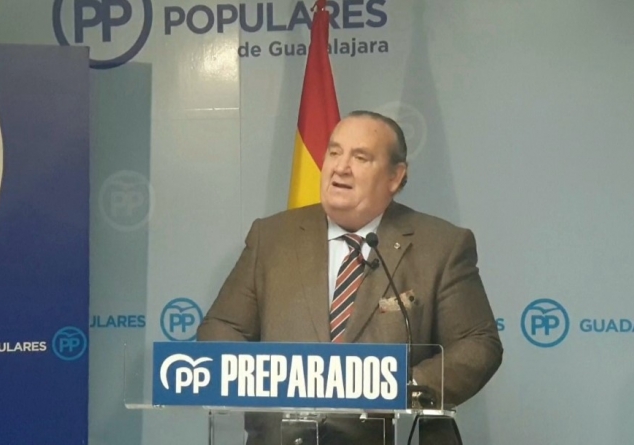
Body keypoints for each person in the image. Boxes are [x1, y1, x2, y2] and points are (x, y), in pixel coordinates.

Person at [197, 110, 503, 444]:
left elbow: (478, 343)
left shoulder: (441, 245)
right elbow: (222, 328)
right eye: (334, 152)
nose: (340, 167)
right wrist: (263, 377)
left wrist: (403, 387)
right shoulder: (271, 237)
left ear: (395, 176)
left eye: (360, 158)